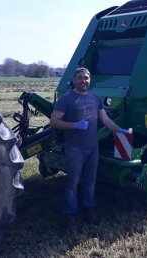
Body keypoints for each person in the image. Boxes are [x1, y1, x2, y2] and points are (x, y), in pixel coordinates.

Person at [50, 67, 128, 232]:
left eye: (86, 78)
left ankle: (89, 209)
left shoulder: (95, 98)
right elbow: (54, 122)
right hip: (75, 148)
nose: (83, 81)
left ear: (89, 80)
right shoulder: (66, 99)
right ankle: (69, 215)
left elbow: (105, 119)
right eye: (80, 78)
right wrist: (74, 125)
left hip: (93, 148)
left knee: (90, 181)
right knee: (73, 183)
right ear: (74, 79)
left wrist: (120, 130)